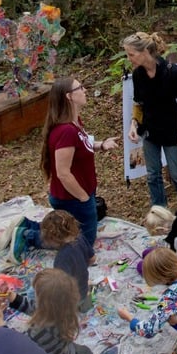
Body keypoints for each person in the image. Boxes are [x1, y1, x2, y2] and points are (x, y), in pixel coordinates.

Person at [123, 32, 177, 223]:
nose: (128, 58)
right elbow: (138, 103)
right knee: (153, 175)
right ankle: (160, 212)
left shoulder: (172, 72)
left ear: (145, 52)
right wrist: (134, 124)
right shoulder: (139, 75)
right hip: (150, 132)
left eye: (131, 54)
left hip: (172, 132)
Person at [40, 77, 118, 248]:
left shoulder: (75, 123)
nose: (85, 90)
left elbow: (83, 144)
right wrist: (83, 198)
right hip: (73, 197)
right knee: (83, 242)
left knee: (67, 234)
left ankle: (30, 233)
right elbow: (63, 173)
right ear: (69, 96)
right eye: (80, 88)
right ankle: (29, 235)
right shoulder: (66, 131)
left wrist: (102, 145)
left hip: (80, 193)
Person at [0, 269, 93, 354]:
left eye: (36, 295)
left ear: (45, 304)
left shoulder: (38, 331)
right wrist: (13, 297)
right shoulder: (66, 309)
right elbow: (35, 308)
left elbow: (16, 345)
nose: (33, 295)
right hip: (64, 352)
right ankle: (68, 353)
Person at [5, 210, 94, 310]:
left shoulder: (62, 258)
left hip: (70, 300)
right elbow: (92, 259)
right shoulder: (80, 238)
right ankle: (84, 305)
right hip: (83, 289)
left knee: (32, 291)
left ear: (51, 238)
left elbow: (60, 286)